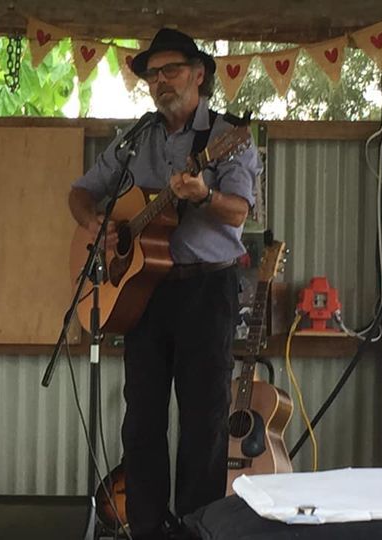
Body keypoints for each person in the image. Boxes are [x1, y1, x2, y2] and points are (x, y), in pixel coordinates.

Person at [69, 29, 261, 540]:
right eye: (153, 74)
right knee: (142, 421)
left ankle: (198, 528)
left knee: (204, 422)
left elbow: (239, 211)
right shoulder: (137, 139)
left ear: (199, 74)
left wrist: (202, 195)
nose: (160, 81)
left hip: (206, 291)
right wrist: (95, 224)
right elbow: (81, 192)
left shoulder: (229, 135)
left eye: (171, 70)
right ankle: (148, 528)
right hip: (143, 294)